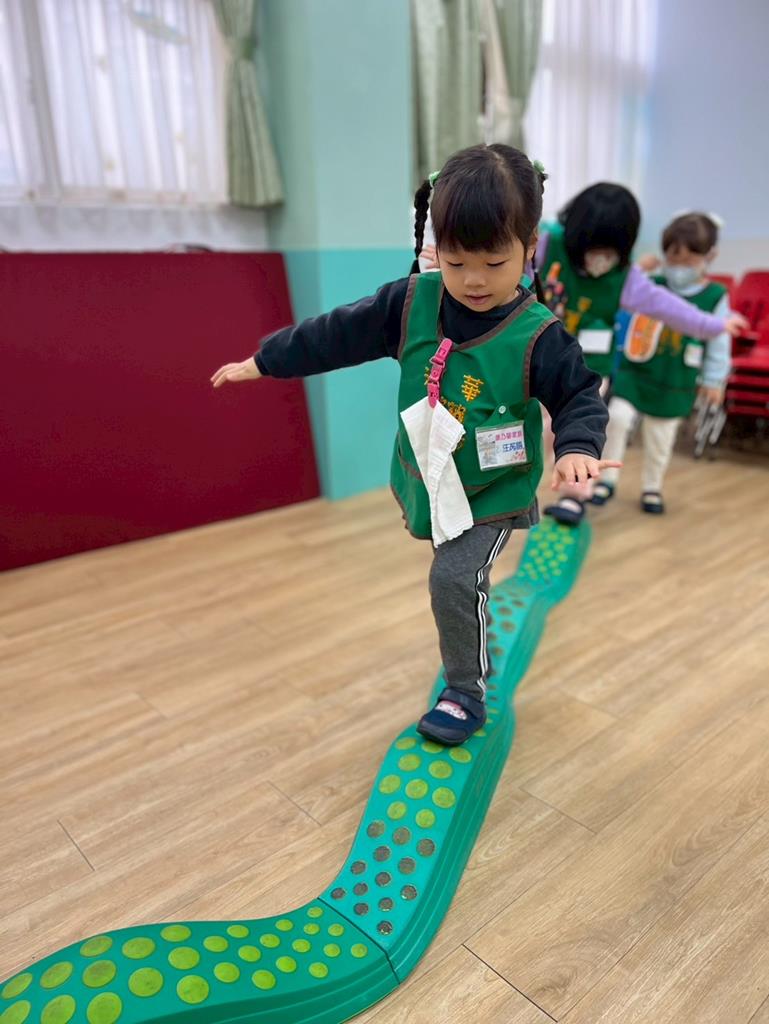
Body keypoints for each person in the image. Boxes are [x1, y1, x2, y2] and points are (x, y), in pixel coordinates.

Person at [210, 144, 618, 746]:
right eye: (455, 262)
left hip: (493, 488)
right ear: (436, 249)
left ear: (530, 247)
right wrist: (265, 360)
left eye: (493, 262)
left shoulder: (540, 336)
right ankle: (468, 637)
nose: (473, 280)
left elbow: (580, 394)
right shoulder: (410, 303)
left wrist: (577, 446)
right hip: (430, 477)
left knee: (452, 578)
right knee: (455, 578)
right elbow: (335, 333)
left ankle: (465, 692)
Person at [534, 184, 747, 525]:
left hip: (588, 368)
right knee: (536, 427)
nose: (599, 257)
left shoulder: (626, 277)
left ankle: (575, 496)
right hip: (538, 357)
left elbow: (671, 308)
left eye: (609, 250)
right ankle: (518, 489)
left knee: (580, 427)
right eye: (591, 247)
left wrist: (715, 325)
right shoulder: (547, 245)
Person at [596, 212, 731, 513]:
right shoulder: (653, 284)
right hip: (636, 371)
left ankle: (652, 487)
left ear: (709, 256)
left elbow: (720, 340)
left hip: (675, 378)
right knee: (616, 419)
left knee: (661, 435)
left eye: (688, 260)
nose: (679, 267)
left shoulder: (715, 296)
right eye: (673, 258)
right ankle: (606, 480)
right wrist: (639, 269)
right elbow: (621, 291)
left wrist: (714, 379)